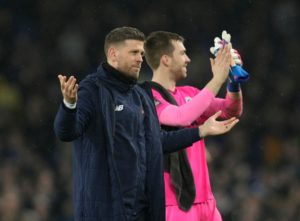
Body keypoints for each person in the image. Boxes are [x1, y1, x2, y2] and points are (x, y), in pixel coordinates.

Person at [53, 26, 239, 221]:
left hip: (140, 211)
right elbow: (66, 132)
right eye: (134, 52)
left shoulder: (139, 96)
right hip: (105, 210)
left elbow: (157, 141)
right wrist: (69, 105)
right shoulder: (92, 91)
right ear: (113, 54)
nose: (140, 58)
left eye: (141, 53)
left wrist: (200, 131)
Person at [144, 31, 243, 221]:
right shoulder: (147, 97)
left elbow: (231, 110)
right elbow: (181, 117)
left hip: (208, 203)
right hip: (175, 205)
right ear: (165, 60)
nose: (188, 59)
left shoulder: (190, 93)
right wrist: (217, 80)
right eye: (182, 53)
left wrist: (233, 81)